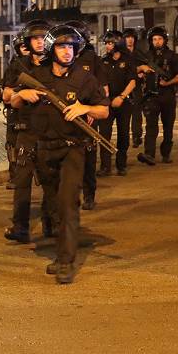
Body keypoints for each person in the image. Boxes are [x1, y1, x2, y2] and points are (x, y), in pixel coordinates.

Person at [12, 25, 109, 284]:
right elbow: (13, 101)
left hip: (73, 148)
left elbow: (104, 110)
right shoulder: (38, 74)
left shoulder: (85, 78)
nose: (67, 52)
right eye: (61, 46)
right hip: (44, 149)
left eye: (71, 47)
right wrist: (22, 94)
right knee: (53, 203)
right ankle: (60, 254)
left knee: (68, 203)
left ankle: (66, 260)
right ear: (52, 49)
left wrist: (84, 107)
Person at [2, 20, 53, 243]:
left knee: (50, 180)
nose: (40, 42)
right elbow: (6, 95)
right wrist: (22, 94)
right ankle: (20, 227)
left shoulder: (56, 64)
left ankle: (51, 222)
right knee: (21, 181)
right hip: (26, 129)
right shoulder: (19, 65)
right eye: (35, 38)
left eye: (43, 38)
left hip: (51, 131)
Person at [65, 20, 107, 211]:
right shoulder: (60, 59)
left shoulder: (92, 59)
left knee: (89, 158)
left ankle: (89, 194)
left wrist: (91, 110)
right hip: (65, 115)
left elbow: (102, 88)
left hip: (88, 115)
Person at [136, 26, 178, 166]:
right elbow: (136, 72)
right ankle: (149, 154)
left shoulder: (172, 56)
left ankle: (166, 154)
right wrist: (141, 70)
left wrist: (168, 82)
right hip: (151, 96)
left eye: (159, 39)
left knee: (168, 127)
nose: (157, 42)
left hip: (167, 96)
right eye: (154, 39)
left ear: (165, 40)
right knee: (151, 126)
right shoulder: (146, 56)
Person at [99, 30, 137, 177]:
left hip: (124, 102)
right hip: (106, 103)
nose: (108, 46)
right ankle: (105, 166)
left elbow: (132, 81)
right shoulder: (103, 61)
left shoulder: (128, 60)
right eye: (106, 43)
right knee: (104, 135)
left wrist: (121, 97)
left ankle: (121, 165)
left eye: (110, 43)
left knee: (123, 134)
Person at [3, 36, 30, 190]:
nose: (25, 48)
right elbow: (6, 93)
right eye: (22, 46)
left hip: (33, 112)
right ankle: (14, 176)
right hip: (15, 111)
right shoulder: (13, 66)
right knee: (12, 145)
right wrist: (19, 92)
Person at [123, 27, 147, 148]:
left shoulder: (139, 53)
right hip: (123, 86)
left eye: (132, 37)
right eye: (127, 37)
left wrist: (143, 72)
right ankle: (125, 137)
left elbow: (146, 66)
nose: (130, 40)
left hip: (137, 86)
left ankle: (137, 136)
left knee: (137, 111)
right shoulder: (121, 53)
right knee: (124, 114)